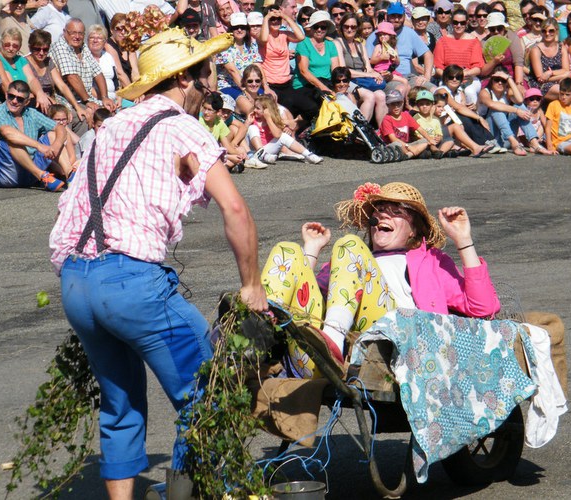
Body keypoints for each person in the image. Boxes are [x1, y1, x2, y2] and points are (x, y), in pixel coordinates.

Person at [49, 29, 267, 500]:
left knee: (120, 407)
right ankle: (213, 493)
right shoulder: (180, 124)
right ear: (184, 79)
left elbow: (75, 201)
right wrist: (251, 285)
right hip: (132, 283)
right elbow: (235, 210)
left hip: (75, 281)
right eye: (206, 75)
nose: (211, 86)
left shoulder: (111, 126)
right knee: (210, 395)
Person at [261, 181, 500, 376]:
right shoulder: (350, 260)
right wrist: (311, 250)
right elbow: (304, 291)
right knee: (287, 250)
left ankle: (332, 341)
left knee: (349, 244)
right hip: (314, 353)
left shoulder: (431, 261)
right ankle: (259, 339)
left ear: (414, 229)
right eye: (380, 211)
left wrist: (463, 240)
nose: (384, 215)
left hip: (392, 351)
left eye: (397, 212)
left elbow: (483, 308)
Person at [0, 79, 72, 190]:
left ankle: (70, 177)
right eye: (11, 96)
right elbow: (7, 133)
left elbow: (60, 128)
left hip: (29, 170)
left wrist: (56, 145)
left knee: (53, 135)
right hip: (5, 174)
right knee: (12, 140)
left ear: (26, 102)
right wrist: (38, 145)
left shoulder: (31, 113)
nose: (14, 101)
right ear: (6, 95)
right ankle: (42, 176)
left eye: (20, 99)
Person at [379, 88, 436, 158]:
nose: (396, 107)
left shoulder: (406, 115)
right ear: (388, 105)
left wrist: (430, 139)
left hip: (406, 145)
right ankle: (416, 153)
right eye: (393, 104)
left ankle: (410, 154)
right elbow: (393, 139)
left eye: (398, 103)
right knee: (397, 144)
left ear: (402, 103)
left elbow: (419, 129)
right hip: (393, 145)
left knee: (424, 140)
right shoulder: (387, 119)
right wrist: (408, 146)